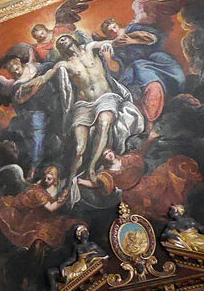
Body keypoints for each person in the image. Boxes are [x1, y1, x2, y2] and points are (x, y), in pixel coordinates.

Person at [16, 32, 146, 180]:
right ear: (60, 49)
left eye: (65, 38)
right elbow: (44, 78)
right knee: (79, 148)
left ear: (73, 40)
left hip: (105, 97)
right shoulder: (64, 64)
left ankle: (91, 166)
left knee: (104, 123)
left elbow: (111, 42)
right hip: (84, 105)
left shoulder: (90, 48)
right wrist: (27, 84)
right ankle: (71, 181)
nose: (63, 40)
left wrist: (133, 39)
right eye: (60, 42)